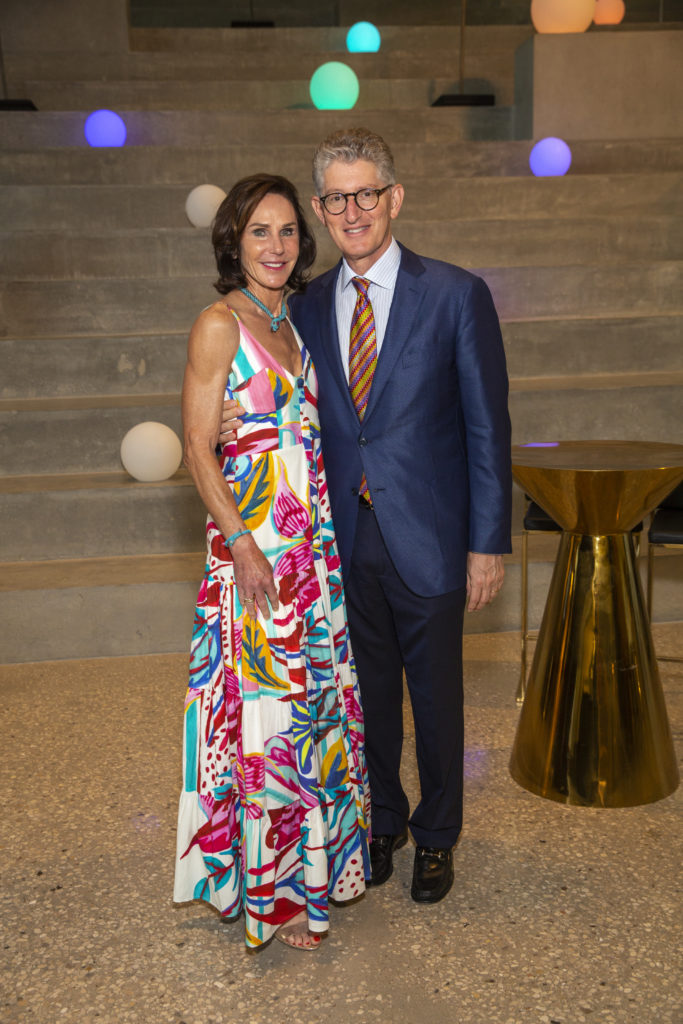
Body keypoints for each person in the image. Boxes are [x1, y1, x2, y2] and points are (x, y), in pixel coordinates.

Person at [222, 128, 512, 906]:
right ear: (321, 209)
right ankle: (381, 820)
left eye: (367, 193)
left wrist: (488, 543)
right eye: (337, 197)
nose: (353, 211)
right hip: (339, 543)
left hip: (432, 538)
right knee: (366, 695)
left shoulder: (455, 294)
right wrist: (228, 422)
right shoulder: (307, 304)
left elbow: (488, 428)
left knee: (438, 698)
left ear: (394, 198)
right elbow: (272, 394)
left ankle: (439, 834)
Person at [173, 173, 370, 952]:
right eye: (260, 231)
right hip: (254, 549)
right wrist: (244, 543)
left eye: (288, 231)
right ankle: (275, 893)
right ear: (233, 240)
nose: (276, 246)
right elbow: (195, 445)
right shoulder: (219, 324)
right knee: (268, 714)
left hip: (311, 550)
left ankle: (312, 872)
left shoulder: (293, 321)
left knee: (309, 711)